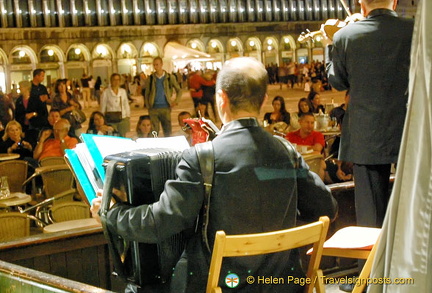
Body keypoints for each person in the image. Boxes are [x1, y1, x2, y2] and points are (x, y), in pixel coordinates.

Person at [91, 57, 337, 293]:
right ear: (263, 100)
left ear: (221, 99)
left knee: (140, 287)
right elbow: (327, 208)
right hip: (284, 285)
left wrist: (111, 213)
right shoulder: (286, 151)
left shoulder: (204, 157)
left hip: (223, 286)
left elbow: (160, 223)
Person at [325, 0, 413, 229]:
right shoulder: (416, 30)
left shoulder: (346, 36)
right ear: (394, 2)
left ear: (361, 5)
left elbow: (338, 80)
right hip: (410, 131)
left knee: (371, 218)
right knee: (415, 208)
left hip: (365, 135)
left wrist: (331, 44)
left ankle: (374, 263)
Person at [144, 57, 182, 137]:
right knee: (154, 131)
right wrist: (148, 105)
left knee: (167, 130)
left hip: (166, 107)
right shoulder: (151, 78)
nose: (155, 67)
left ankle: (168, 147)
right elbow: (147, 93)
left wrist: (176, 101)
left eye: (157, 64)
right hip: (153, 108)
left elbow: (179, 90)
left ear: (161, 64)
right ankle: (155, 147)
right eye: (154, 65)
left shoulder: (169, 77)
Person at [100, 73, 131, 137]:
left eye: (118, 80)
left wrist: (128, 115)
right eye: (114, 80)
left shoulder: (123, 91)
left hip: (123, 118)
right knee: (112, 136)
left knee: (123, 137)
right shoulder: (106, 92)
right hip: (111, 119)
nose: (116, 82)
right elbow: (103, 106)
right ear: (111, 81)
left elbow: (126, 104)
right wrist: (102, 118)